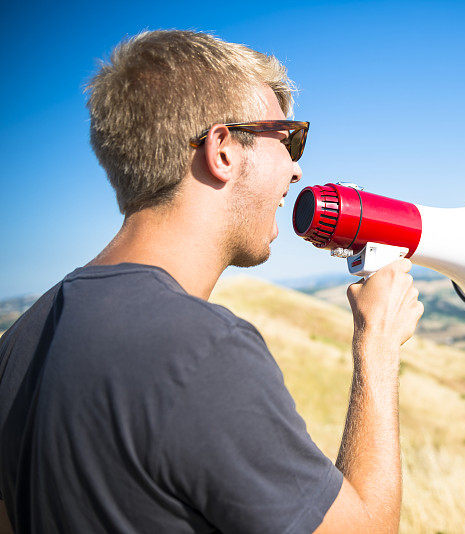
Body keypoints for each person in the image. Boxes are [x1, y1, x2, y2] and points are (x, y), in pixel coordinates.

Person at [0, 30, 423, 533]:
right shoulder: (202, 351)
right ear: (222, 149)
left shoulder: (20, 340)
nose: (296, 169)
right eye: (288, 139)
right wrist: (377, 345)